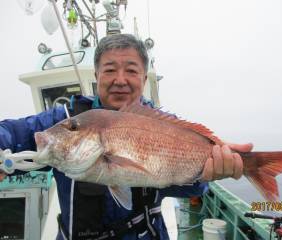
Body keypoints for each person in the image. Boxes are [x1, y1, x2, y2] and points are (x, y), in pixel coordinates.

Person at [0, 34, 253, 240]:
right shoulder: (66, 120)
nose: (120, 80)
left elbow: (190, 187)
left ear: (143, 79)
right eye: (110, 70)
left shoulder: (163, 124)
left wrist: (209, 172)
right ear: (97, 77)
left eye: (131, 71)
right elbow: (13, 134)